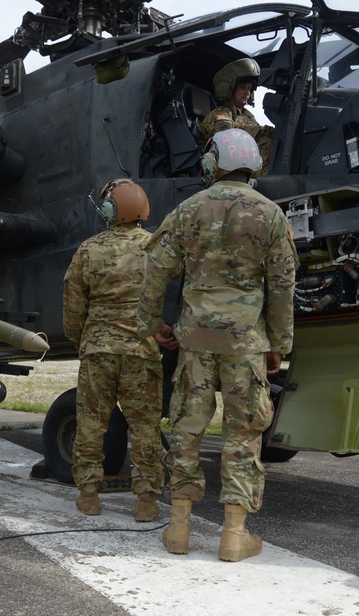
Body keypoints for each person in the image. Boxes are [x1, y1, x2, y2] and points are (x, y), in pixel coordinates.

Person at [137, 128, 296, 562]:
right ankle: (233, 534)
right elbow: (282, 286)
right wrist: (278, 343)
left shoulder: (187, 211)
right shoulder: (270, 215)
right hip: (246, 341)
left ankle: (180, 528)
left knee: (187, 428)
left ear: (212, 163)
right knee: (243, 433)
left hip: (195, 339)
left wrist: (155, 324)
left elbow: (154, 270)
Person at [63, 179, 165, 521]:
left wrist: (85, 343)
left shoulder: (88, 250)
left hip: (98, 352)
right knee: (145, 427)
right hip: (141, 351)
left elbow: (73, 310)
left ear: (109, 210)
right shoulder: (156, 247)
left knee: (91, 423)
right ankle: (146, 501)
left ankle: (89, 495)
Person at [197, 58, 275, 174]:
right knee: (265, 140)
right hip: (219, 172)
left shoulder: (248, 116)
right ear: (230, 89)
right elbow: (229, 135)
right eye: (242, 87)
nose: (247, 92)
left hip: (240, 168)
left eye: (249, 88)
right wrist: (262, 131)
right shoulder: (218, 114)